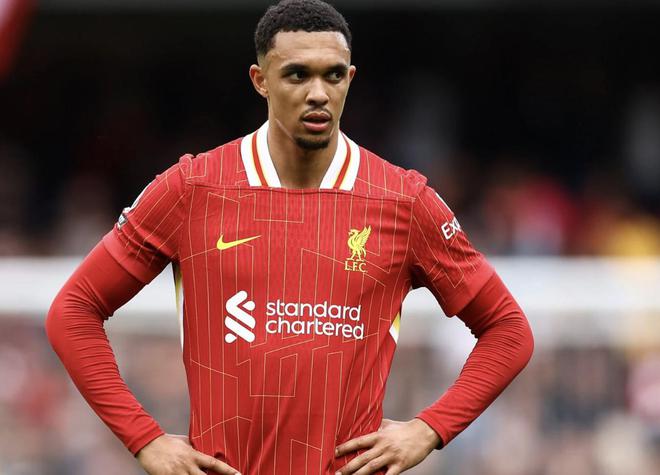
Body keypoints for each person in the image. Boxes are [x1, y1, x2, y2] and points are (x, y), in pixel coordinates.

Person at [46, 1, 534, 474]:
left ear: (350, 79)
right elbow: (74, 310)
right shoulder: (193, 189)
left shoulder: (403, 201)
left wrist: (429, 430)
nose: (318, 92)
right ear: (260, 80)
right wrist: (145, 439)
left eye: (333, 75)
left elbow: (508, 330)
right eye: (298, 75)